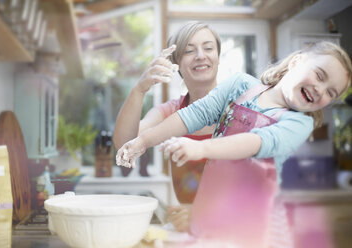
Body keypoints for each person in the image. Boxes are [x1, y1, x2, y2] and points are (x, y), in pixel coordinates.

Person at [116, 41, 352, 247]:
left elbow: (256, 142)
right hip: (210, 218)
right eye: (320, 75)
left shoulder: (298, 123)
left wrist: (201, 148)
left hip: (256, 230)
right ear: (297, 62)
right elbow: (195, 114)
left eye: (331, 92)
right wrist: (143, 141)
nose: (320, 90)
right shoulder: (240, 85)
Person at [113, 21, 221, 231]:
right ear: (177, 63)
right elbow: (124, 143)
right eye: (189, 51)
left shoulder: (240, 109)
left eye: (208, 48)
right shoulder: (171, 111)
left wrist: (202, 213)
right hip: (188, 231)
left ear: (218, 57)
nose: (201, 55)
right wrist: (139, 90)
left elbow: (255, 188)